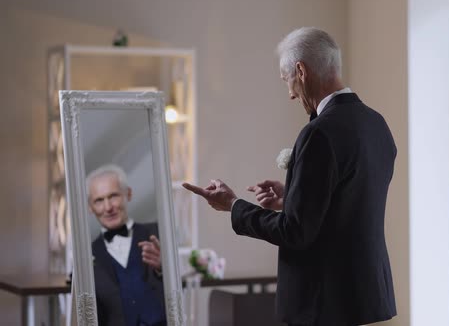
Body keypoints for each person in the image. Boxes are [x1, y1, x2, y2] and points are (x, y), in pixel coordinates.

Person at [183, 27, 397, 326]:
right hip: (363, 294)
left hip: (322, 302)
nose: (290, 94)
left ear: (301, 70)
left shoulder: (319, 132)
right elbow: (348, 201)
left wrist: (233, 204)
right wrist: (292, 197)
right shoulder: (376, 124)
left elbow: (295, 232)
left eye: (288, 81)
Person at [87, 164, 167, 326]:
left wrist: (163, 267)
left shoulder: (158, 233)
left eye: (114, 196)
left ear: (128, 194)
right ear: (90, 208)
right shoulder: (88, 254)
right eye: (99, 200)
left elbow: (181, 287)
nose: (108, 207)